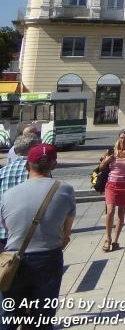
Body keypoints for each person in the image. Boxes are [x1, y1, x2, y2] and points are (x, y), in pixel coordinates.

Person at [0, 144, 76, 328]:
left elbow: (8, 230)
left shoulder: (8, 195)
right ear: (54, 165)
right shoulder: (65, 190)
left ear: (27, 165)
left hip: (14, 260)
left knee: (9, 317)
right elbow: (66, 232)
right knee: (43, 318)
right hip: (48, 258)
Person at [0, 135, 41, 249]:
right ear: (33, 149)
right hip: (28, 232)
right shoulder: (38, 172)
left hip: (3, 231)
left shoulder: (2, 171)